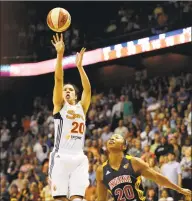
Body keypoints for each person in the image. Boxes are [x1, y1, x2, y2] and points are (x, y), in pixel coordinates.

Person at [49, 33, 91, 201]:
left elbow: (88, 90)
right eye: (65, 90)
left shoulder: (82, 107)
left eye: (70, 90)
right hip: (61, 156)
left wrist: (80, 67)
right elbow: (58, 79)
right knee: (60, 199)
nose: (66, 91)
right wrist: (60, 55)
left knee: (78, 199)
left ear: (75, 95)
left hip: (79, 158)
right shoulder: (59, 106)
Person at [96, 134, 191, 201]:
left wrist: (180, 189)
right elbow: (101, 199)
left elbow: (157, 178)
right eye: (111, 138)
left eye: (116, 138)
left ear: (124, 146)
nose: (112, 139)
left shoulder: (134, 162)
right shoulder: (101, 170)